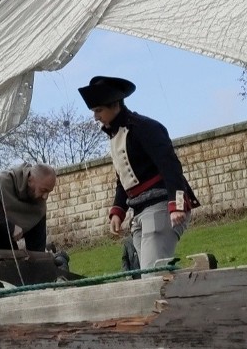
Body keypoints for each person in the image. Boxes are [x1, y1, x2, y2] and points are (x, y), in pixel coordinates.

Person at [78, 75, 199, 269]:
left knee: (153, 276)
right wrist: (118, 210)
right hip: (140, 212)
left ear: (115, 104)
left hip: (160, 208)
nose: (96, 117)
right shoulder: (116, 136)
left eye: (99, 110)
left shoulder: (145, 128)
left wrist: (176, 205)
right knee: (150, 276)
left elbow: (170, 166)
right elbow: (123, 179)